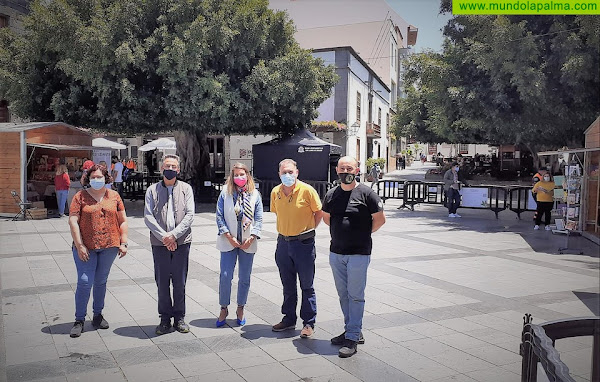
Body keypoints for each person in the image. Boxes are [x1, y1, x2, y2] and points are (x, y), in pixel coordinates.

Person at [322, 156, 385, 358]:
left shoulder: (367, 194)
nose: (345, 171)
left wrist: (362, 234)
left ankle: (352, 337)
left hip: (359, 253)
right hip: (336, 253)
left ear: (357, 170)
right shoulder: (331, 194)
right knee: (343, 295)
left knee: (355, 296)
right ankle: (353, 330)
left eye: (349, 168)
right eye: (342, 168)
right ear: (337, 171)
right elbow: (326, 219)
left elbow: (379, 220)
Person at [68, 163, 128, 338]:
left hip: (109, 245)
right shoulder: (80, 197)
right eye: (93, 177)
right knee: (85, 281)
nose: (96, 180)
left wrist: (123, 242)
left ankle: (97, 314)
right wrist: (79, 245)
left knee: (101, 281)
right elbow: (73, 221)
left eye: (99, 177)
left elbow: (123, 220)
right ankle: (79, 319)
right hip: (86, 247)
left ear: (106, 178)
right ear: (88, 178)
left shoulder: (114, 196)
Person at [270, 159, 323, 338]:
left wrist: (307, 230)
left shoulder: (308, 191)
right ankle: (289, 318)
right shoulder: (275, 192)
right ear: (279, 174)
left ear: (297, 172)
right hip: (283, 243)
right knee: (288, 284)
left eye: (290, 172)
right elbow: (278, 213)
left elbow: (318, 213)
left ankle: (308, 323)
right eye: (284, 172)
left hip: (304, 244)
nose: (287, 175)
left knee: (306, 285)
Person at [144, 154, 195, 335]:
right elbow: (148, 216)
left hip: (181, 242)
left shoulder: (186, 189)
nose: (170, 169)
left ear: (179, 170)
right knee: (162, 282)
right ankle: (164, 318)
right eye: (167, 166)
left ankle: (179, 317)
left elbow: (190, 215)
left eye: (174, 166)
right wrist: (164, 237)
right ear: (161, 168)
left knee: (180, 282)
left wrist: (173, 235)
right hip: (159, 244)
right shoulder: (152, 190)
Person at [215, 163, 263, 327]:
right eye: (236, 175)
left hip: (248, 242)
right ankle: (224, 307)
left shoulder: (255, 194)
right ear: (231, 176)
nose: (239, 178)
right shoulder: (225, 193)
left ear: (247, 175)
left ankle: (240, 307)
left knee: (244, 277)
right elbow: (219, 216)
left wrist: (253, 236)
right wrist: (228, 236)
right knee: (226, 275)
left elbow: (259, 218)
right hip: (229, 240)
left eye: (242, 174)